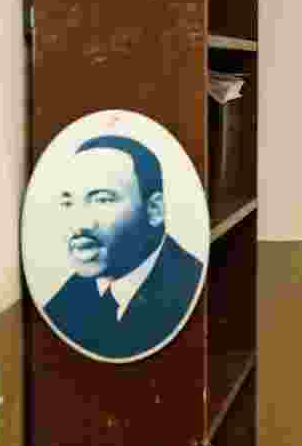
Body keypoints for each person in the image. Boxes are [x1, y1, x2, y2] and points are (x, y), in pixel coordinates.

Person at [44, 135, 203, 359]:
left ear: (154, 209)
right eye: (68, 202)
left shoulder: (192, 288)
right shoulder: (62, 304)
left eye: (102, 200)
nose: (79, 224)